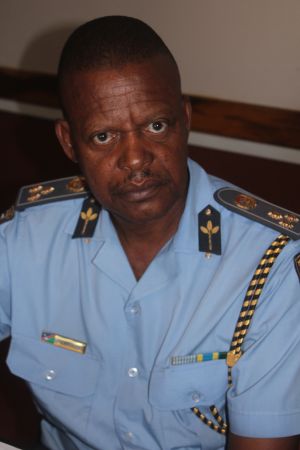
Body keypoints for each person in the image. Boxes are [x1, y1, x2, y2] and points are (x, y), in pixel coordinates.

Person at [1, 15, 300, 450]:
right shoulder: (27, 238)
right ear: (69, 142)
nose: (136, 159)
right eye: (103, 136)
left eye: (155, 126)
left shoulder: (270, 266)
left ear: (184, 119)